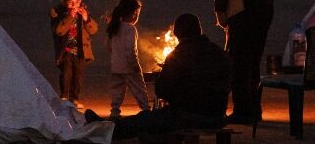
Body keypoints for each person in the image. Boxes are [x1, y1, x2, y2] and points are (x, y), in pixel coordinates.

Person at [87, 13, 231, 139]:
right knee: (152, 118)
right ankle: (105, 126)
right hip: (218, 116)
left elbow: (162, 90)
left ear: (177, 34)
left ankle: (105, 129)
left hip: (190, 116)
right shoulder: (218, 52)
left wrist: (179, 98)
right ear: (199, 30)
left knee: (144, 120)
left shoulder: (179, 54)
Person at [204, 0, 273, 124]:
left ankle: (242, 112)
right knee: (252, 62)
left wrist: (219, 11)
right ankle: (254, 111)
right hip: (264, 7)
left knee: (238, 63)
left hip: (247, 10)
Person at [51, 0, 99, 109]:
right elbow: (59, 31)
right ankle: (64, 97)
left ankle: (75, 98)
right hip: (66, 50)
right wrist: (69, 17)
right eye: (71, 2)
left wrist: (86, 18)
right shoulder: (58, 14)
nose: (74, 5)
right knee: (66, 74)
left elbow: (94, 30)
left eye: (77, 2)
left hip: (81, 51)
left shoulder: (83, 13)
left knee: (78, 76)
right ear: (64, 2)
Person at [106, 0, 150, 117]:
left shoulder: (114, 27)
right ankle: (146, 109)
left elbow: (109, 47)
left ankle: (114, 112)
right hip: (129, 66)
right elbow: (130, 50)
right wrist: (135, 65)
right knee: (139, 88)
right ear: (134, 13)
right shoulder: (130, 29)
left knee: (117, 90)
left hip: (116, 66)